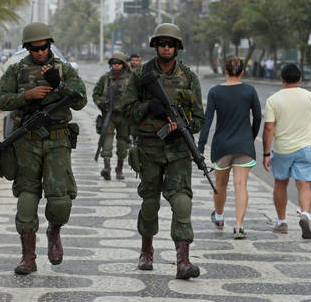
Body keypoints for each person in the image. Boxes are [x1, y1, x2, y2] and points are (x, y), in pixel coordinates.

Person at [0, 22, 87, 275]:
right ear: (27, 48)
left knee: (60, 201)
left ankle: (54, 230)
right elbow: (1, 98)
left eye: (43, 47)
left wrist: (59, 85)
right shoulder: (15, 71)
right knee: (26, 199)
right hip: (27, 141)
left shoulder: (64, 69)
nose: (39, 52)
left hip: (57, 140)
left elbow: (81, 100)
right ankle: (28, 257)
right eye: (34, 49)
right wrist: (27, 95)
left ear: (49, 45)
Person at [123, 23, 204, 279]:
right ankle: (146, 250)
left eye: (170, 44)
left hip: (178, 149)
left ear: (177, 48)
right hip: (149, 148)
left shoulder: (189, 77)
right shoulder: (141, 75)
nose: (166, 48)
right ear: (155, 46)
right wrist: (149, 106)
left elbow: (200, 119)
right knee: (149, 203)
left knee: (182, 202)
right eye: (162, 44)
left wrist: (181, 127)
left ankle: (183, 261)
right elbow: (126, 111)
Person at [197, 56, 262, 239]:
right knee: (241, 185)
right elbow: (258, 117)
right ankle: (239, 226)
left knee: (220, 184)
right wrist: (251, 135)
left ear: (225, 71)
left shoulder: (215, 92)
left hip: (222, 146)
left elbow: (207, 121)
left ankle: (218, 217)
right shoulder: (249, 91)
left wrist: (200, 146)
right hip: (244, 145)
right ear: (242, 72)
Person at [262, 63, 311, 239]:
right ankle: (305, 214)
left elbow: (268, 128)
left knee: (280, 183)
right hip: (305, 147)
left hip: (282, 149)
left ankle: (282, 222)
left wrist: (266, 153)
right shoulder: (309, 96)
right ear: (300, 79)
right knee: (305, 184)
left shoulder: (273, 100)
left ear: (282, 79)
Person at [93, 52, 131, 180]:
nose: (116, 65)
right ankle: (107, 168)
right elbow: (96, 94)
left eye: (119, 63)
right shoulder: (105, 79)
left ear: (123, 65)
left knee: (122, 145)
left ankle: (119, 169)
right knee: (107, 142)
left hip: (124, 117)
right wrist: (101, 104)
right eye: (113, 63)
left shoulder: (130, 79)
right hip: (108, 115)